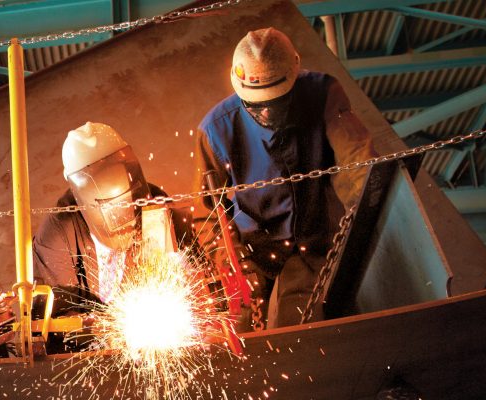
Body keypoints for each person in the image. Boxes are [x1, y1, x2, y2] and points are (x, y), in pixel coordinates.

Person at [195, 27, 376, 329]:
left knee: (296, 328)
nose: (266, 114)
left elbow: (357, 159)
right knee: (237, 330)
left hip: (313, 241)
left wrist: (366, 211)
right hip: (253, 249)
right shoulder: (215, 130)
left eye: (276, 102)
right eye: (256, 105)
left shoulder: (323, 94)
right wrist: (230, 260)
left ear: (294, 73)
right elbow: (207, 213)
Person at [33, 122, 193, 315]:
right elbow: (60, 321)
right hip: (92, 340)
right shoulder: (59, 232)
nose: (125, 221)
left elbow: (188, 276)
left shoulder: (155, 204)